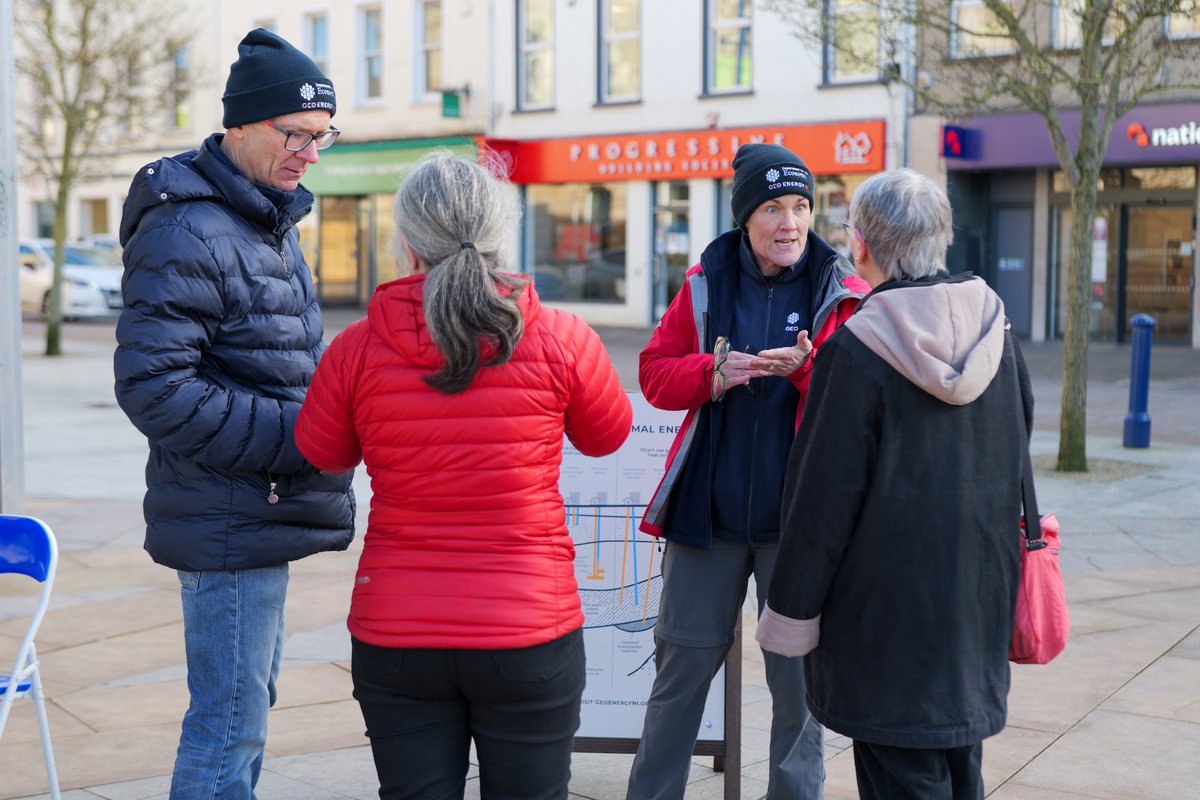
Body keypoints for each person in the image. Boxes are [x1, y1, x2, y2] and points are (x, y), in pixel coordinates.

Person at [294, 152, 633, 800]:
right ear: (502, 232)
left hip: (399, 626)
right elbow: (607, 434)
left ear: (406, 242)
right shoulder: (562, 336)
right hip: (528, 626)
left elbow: (323, 453)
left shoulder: (357, 349)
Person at [113, 28, 355, 799]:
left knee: (245, 711)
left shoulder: (260, 219)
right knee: (228, 722)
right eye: (298, 135)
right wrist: (299, 438)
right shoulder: (190, 224)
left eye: (323, 138)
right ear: (243, 125)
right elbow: (155, 389)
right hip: (228, 516)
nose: (310, 154)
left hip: (258, 507)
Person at [756, 168, 1031, 799]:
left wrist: (791, 614)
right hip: (975, 604)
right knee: (961, 771)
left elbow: (819, 502)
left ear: (862, 245)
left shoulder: (856, 350)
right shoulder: (999, 335)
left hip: (885, 626)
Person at [627, 142, 869, 800]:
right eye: (773, 207)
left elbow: (863, 399)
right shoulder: (706, 281)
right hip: (708, 520)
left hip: (799, 529)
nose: (790, 222)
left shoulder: (840, 288)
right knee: (678, 680)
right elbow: (653, 373)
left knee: (798, 691)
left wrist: (807, 372)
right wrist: (710, 373)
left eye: (801, 206)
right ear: (745, 218)